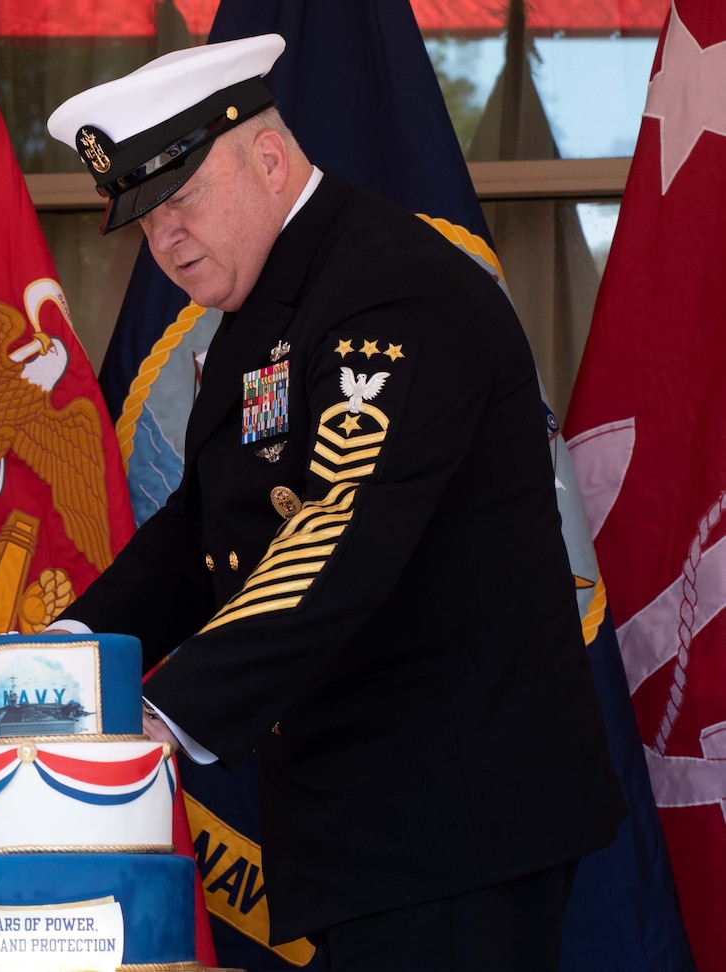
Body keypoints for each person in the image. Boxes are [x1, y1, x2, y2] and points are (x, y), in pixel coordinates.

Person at [39, 35, 627, 970]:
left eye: (181, 201)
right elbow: (202, 528)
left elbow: (339, 526)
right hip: (368, 826)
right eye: (144, 223)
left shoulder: (390, 287)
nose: (166, 241)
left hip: (453, 823)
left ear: (268, 159)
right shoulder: (266, 307)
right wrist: (66, 653)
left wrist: (169, 711)